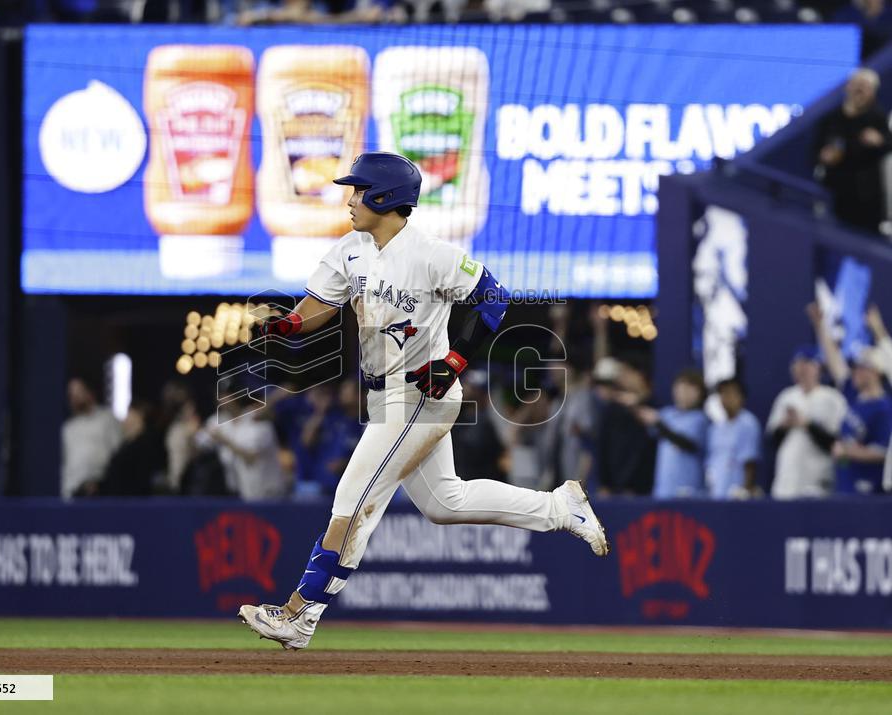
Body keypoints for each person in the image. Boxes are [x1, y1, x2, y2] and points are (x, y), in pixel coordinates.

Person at [238, 151, 609, 650]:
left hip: (418, 395)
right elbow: (316, 308)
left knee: (353, 503)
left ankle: (299, 614)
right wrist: (285, 325)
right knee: (443, 502)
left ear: (384, 197)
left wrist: (456, 359)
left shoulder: (431, 253)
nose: (350, 199)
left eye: (358, 189)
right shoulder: (352, 249)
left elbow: (492, 298)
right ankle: (560, 508)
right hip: (383, 397)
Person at [809, 302, 892, 494]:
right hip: (846, 483)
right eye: (856, 368)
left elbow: (882, 451)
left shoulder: (884, 408)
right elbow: (835, 363)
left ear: (877, 372)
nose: (857, 373)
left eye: (863, 368)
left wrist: (848, 451)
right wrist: (820, 326)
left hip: (870, 489)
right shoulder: (855, 395)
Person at [815, 68, 892, 234]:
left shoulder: (878, 118)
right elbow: (814, 151)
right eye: (857, 85)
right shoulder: (831, 117)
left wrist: (879, 141)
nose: (860, 91)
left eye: (865, 87)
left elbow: (888, 145)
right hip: (834, 195)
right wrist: (822, 156)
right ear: (847, 87)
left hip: (866, 200)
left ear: (873, 93)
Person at [766, 347, 847, 499]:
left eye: (807, 364)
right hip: (786, 481)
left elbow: (837, 442)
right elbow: (772, 440)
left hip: (818, 482)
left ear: (818, 367)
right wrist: (785, 425)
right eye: (798, 365)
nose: (802, 369)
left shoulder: (832, 398)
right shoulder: (786, 397)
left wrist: (807, 424)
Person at [635, 368, 709, 499]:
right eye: (681, 387)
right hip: (663, 489)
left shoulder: (701, 419)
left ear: (700, 393)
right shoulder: (667, 414)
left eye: (690, 388)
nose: (684, 393)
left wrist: (658, 424)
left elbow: (688, 444)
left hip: (690, 490)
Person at [597, 360, 657, 496]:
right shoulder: (613, 407)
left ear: (640, 375)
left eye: (626, 373)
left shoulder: (654, 405)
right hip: (615, 486)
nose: (622, 379)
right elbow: (603, 446)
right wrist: (604, 483)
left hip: (644, 486)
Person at [60, 377, 123, 498]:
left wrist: (103, 483)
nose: (75, 397)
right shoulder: (68, 429)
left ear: (90, 393)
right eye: (71, 394)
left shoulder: (107, 418)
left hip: (101, 491)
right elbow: (65, 465)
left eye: (79, 392)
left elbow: (117, 455)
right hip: (74, 492)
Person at [706, 378, 762, 500]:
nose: (726, 398)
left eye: (731, 393)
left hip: (737, 493)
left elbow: (750, 460)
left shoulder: (748, 423)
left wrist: (745, 490)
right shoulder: (716, 428)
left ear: (741, 397)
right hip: (717, 490)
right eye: (723, 394)